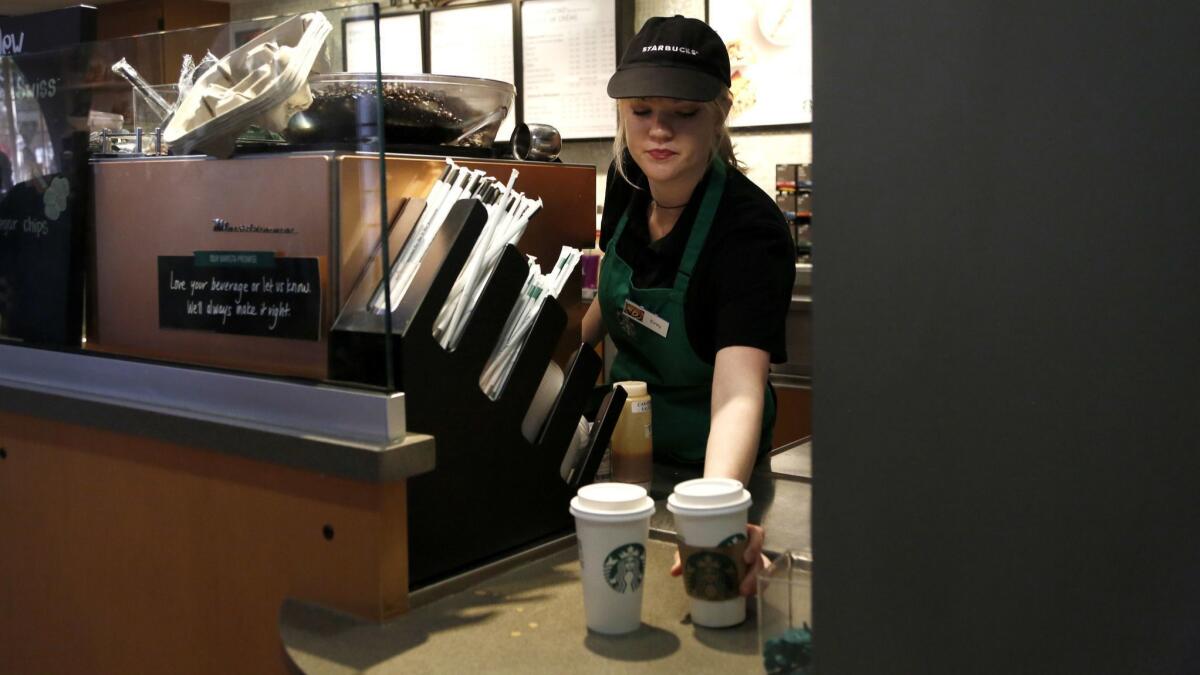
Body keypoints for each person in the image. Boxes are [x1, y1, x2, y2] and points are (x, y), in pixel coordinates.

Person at [581, 16, 795, 595]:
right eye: (643, 110)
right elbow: (606, 304)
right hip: (625, 464)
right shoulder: (626, 184)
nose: (658, 132)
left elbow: (738, 393)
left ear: (720, 111)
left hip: (713, 466)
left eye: (684, 113)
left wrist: (714, 511)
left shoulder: (750, 232)